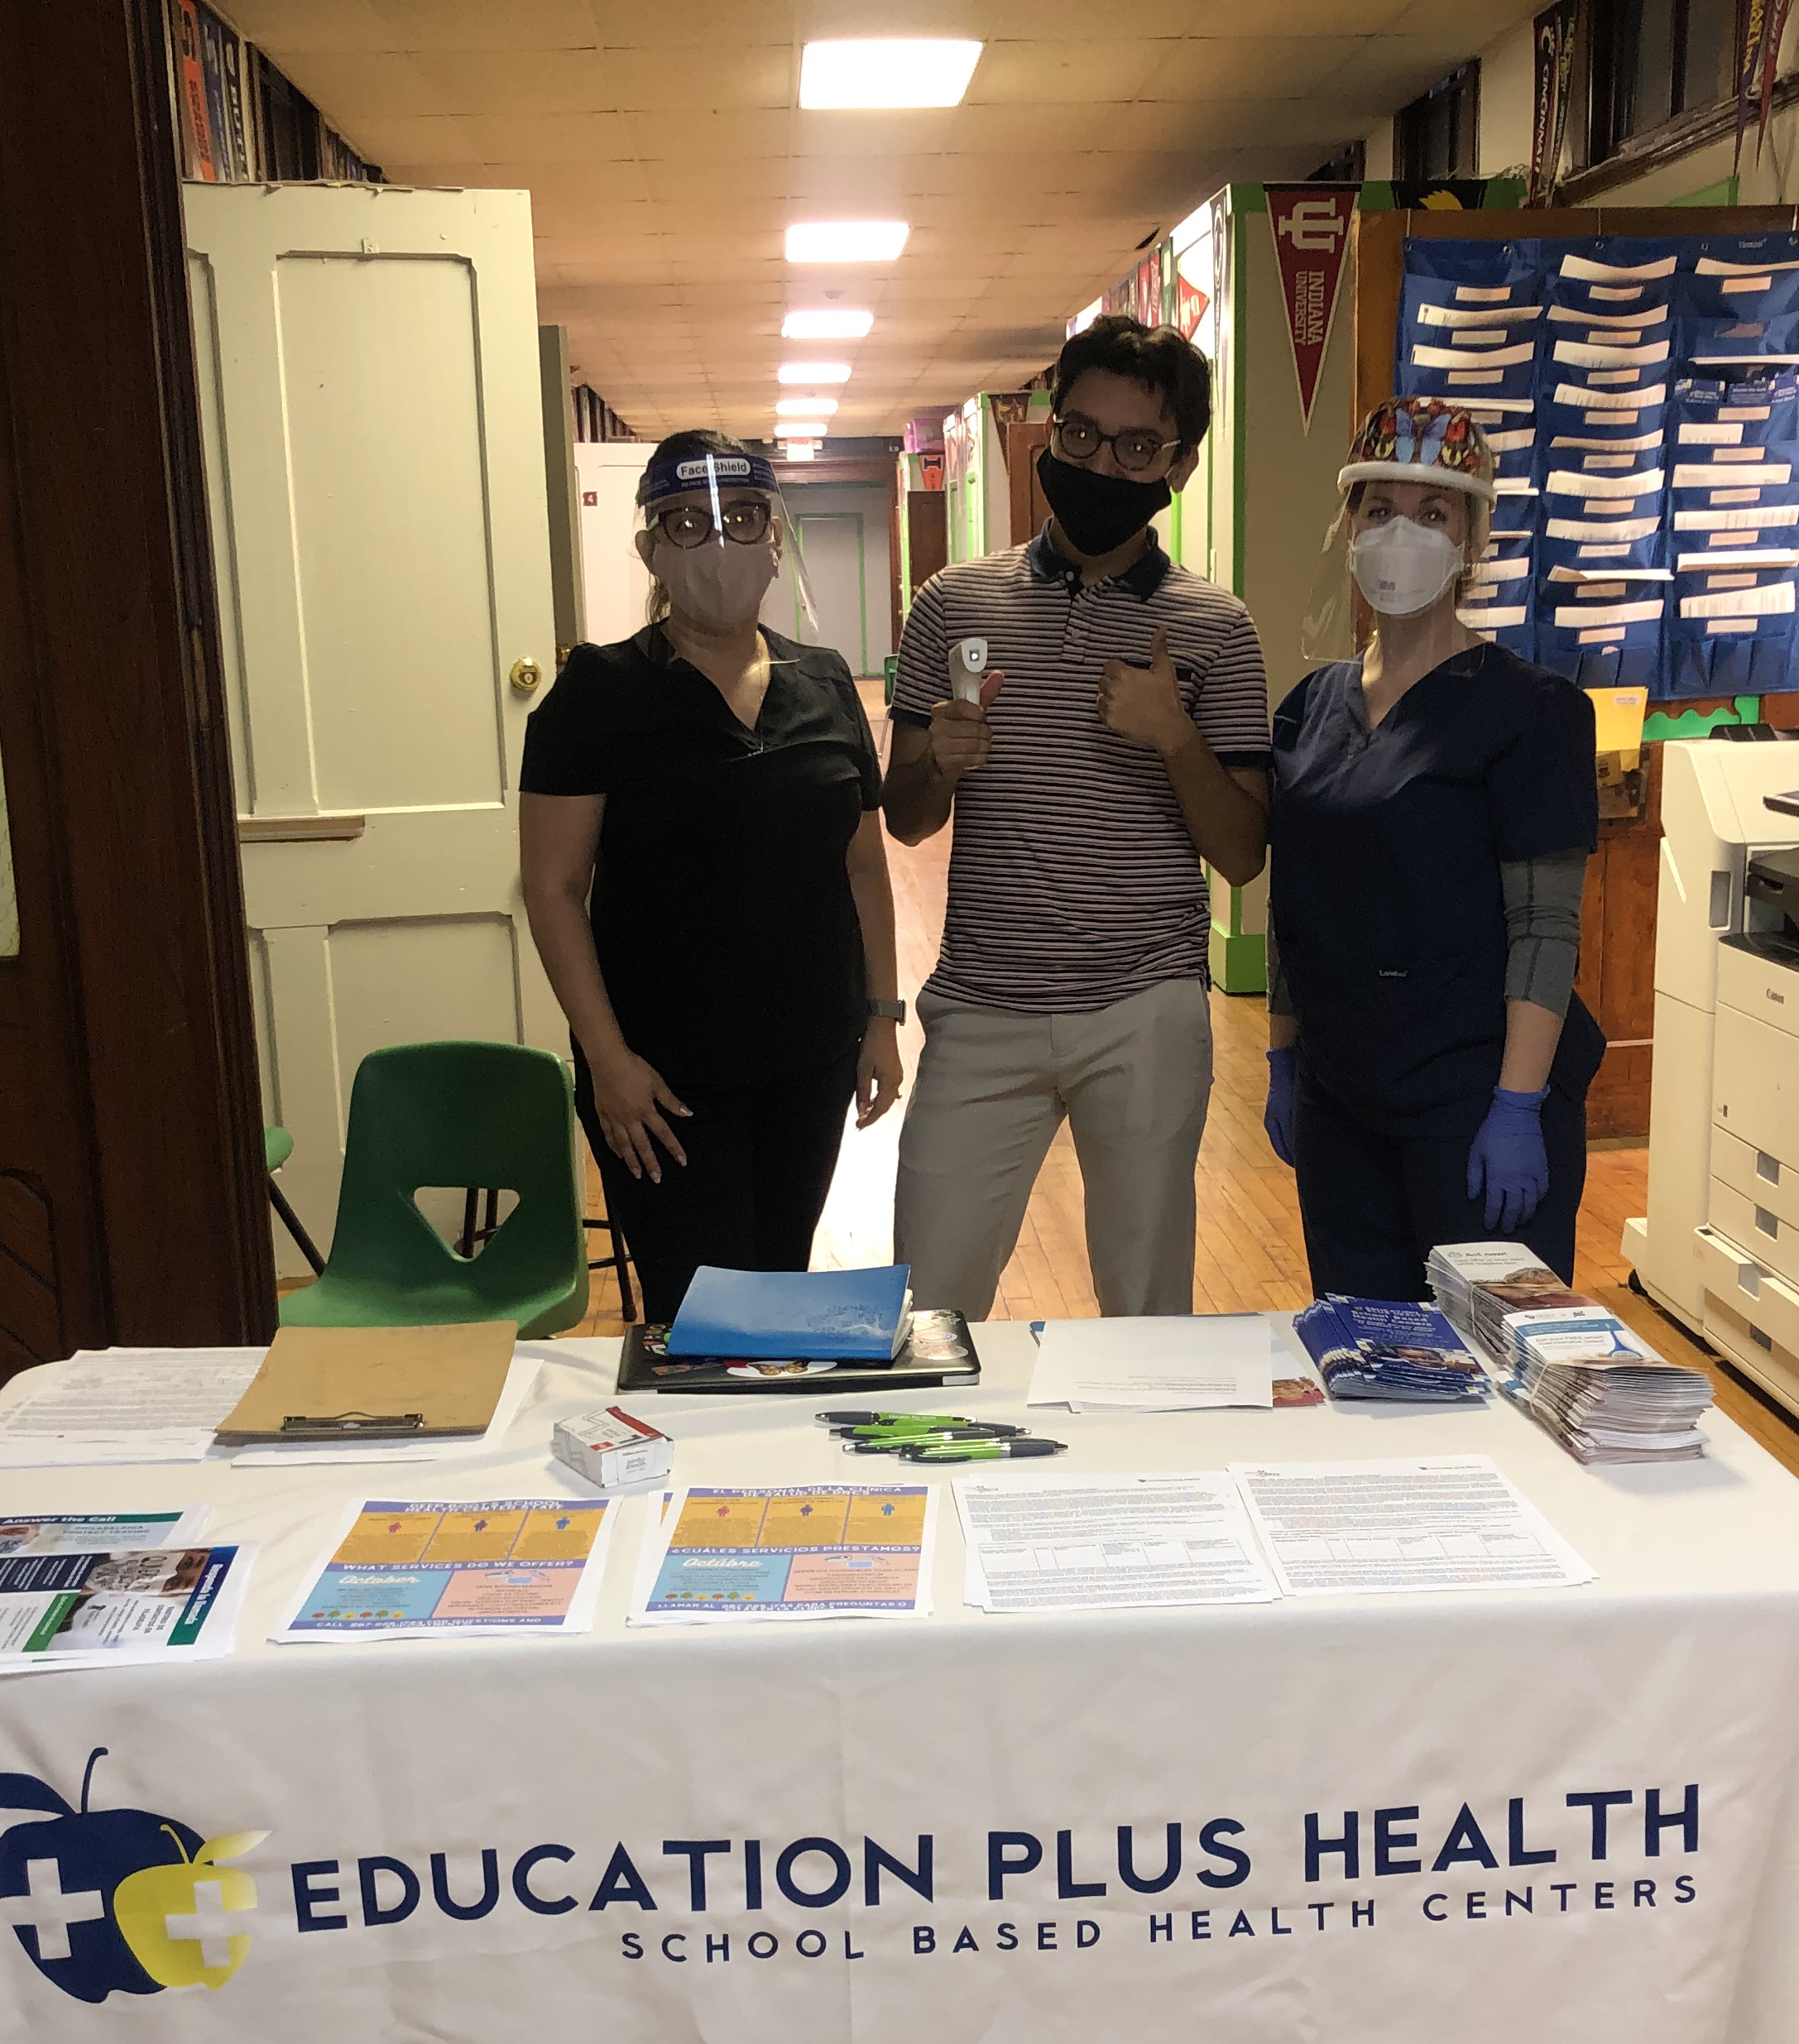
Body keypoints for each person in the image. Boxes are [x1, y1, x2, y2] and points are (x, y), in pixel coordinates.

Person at [882, 314, 1274, 1319]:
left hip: (1144, 1009)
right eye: (1082, 434)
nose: (1104, 460)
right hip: (981, 1007)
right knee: (927, 1309)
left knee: (1148, 1320)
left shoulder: (1215, 629)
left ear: (1178, 465)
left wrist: (1176, 737)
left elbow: (1239, 855)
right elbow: (907, 819)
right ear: (1049, 435)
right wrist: (942, 763)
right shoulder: (951, 604)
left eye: (1138, 446)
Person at [519, 433, 906, 1321]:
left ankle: (770, 1464)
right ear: (650, 546)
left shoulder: (825, 682)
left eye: (741, 519)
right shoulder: (595, 696)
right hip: (661, 1080)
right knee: (699, 1317)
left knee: (779, 1295)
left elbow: (863, 864)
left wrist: (882, 1019)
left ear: (776, 539)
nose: (718, 545)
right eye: (687, 523)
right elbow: (550, 891)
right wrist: (608, 1062)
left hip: (808, 1059)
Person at [1262, 399, 1606, 1300]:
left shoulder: (1532, 714)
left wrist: (1520, 1106)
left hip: (1478, 1098)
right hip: (1342, 1100)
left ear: (1472, 539)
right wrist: (1284, 1057)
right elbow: (1295, 902)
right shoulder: (1307, 709)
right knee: (1369, 1359)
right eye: (1379, 511)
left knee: (1492, 1369)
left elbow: (1545, 928)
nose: (1400, 535)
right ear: (1349, 527)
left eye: (1433, 513)